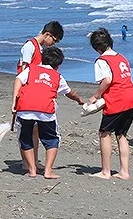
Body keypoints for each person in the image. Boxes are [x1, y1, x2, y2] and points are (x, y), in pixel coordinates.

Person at [12, 46, 83, 178]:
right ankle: (48, 170)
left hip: (25, 109)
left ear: (42, 59)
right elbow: (69, 93)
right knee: (52, 139)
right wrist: (79, 100)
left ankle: (32, 169)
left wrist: (14, 100)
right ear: (58, 65)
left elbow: (18, 80)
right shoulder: (57, 76)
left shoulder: (31, 69)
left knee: (26, 138)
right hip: (45, 111)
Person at [88, 28, 133, 180]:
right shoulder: (122, 57)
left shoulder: (101, 60)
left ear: (97, 48)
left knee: (104, 133)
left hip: (117, 100)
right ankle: (124, 171)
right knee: (121, 135)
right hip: (131, 98)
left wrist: (95, 96)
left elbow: (107, 80)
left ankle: (106, 171)